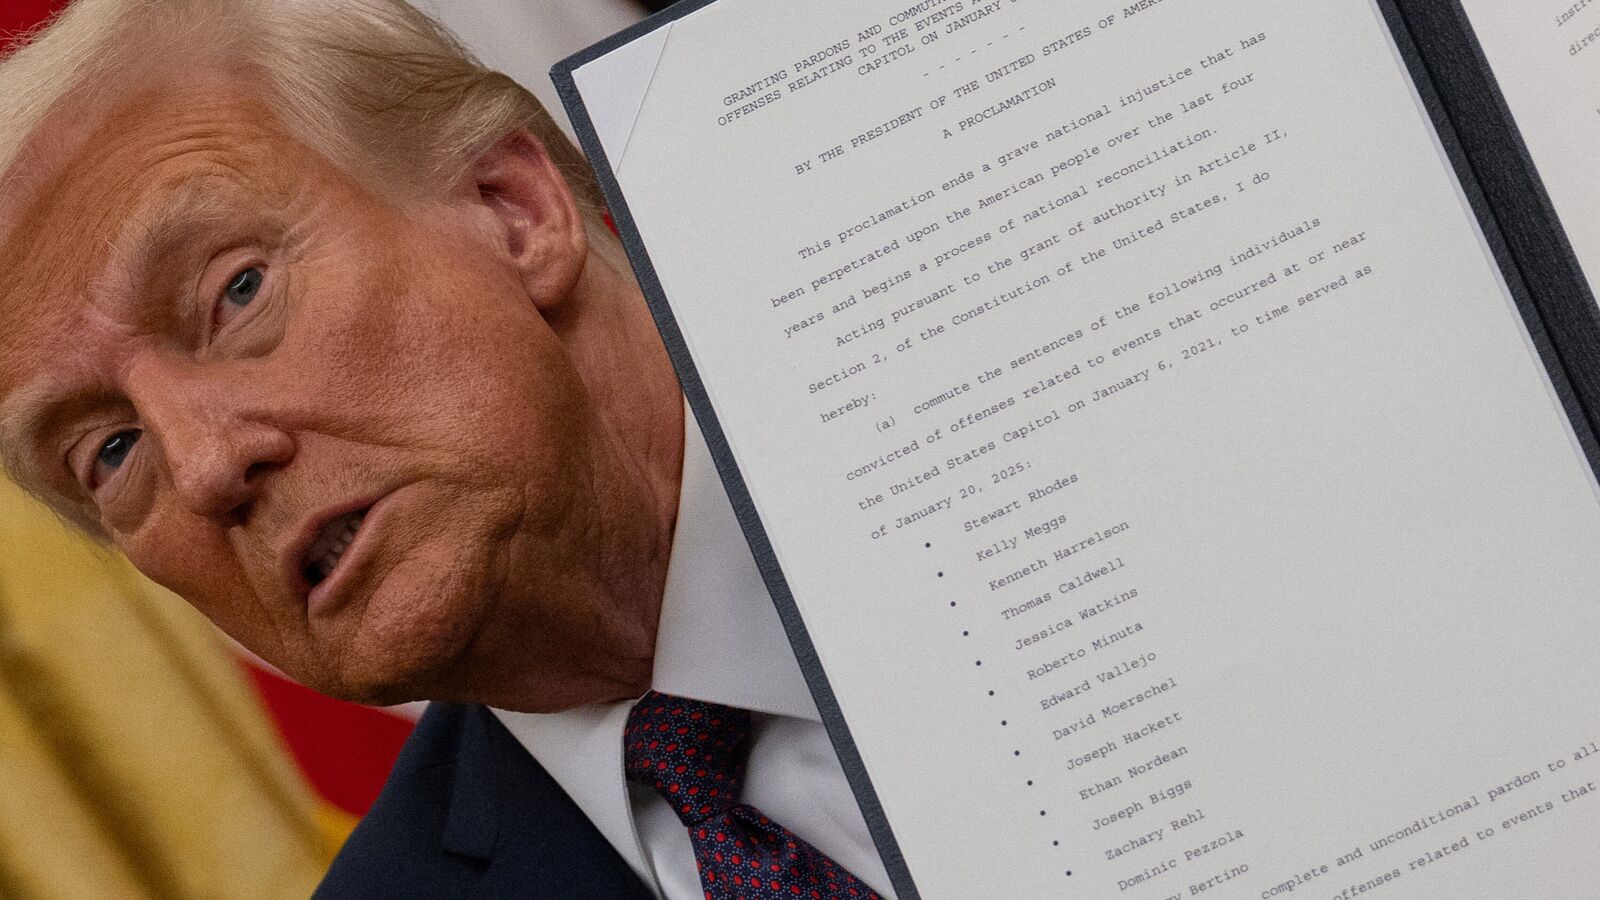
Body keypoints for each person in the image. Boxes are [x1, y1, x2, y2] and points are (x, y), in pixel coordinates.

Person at [0, 1, 896, 897]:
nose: (203, 467)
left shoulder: (961, 363)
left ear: (514, 210)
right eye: (112, 450)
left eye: (237, 293)